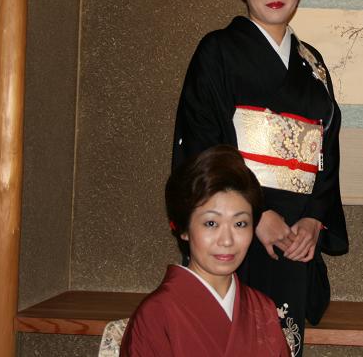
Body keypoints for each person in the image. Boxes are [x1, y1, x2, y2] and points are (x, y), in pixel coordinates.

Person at [171, 0, 348, 356]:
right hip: (233, 230)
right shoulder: (217, 51)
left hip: (294, 237)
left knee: (280, 342)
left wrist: (313, 220)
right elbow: (204, 147)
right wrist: (255, 214)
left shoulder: (312, 63)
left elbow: (326, 152)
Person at [120, 145, 290, 356]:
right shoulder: (156, 314)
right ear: (184, 229)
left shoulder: (263, 309)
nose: (227, 240)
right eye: (211, 223)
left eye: (240, 224)